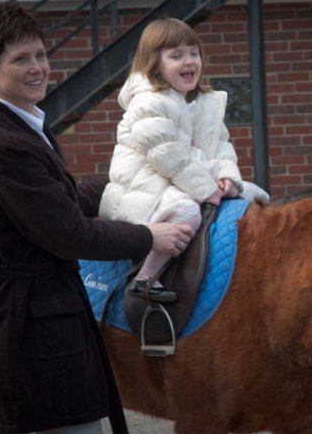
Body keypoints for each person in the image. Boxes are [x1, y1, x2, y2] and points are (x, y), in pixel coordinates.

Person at [0, 2, 193, 434]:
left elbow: (57, 201)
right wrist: (148, 235)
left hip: (31, 319)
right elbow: (68, 234)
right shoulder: (5, 144)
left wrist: (132, 178)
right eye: (21, 59)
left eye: (40, 54)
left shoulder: (24, 125)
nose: (37, 67)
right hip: (10, 328)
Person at [98, 18, 268, 302]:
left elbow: (221, 147)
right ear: (155, 65)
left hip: (186, 179)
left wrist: (228, 177)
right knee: (186, 214)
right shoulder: (149, 102)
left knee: (254, 194)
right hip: (147, 183)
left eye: (193, 53)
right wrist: (206, 189)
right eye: (176, 56)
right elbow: (168, 156)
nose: (188, 61)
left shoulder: (204, 104)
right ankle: (145, 279)